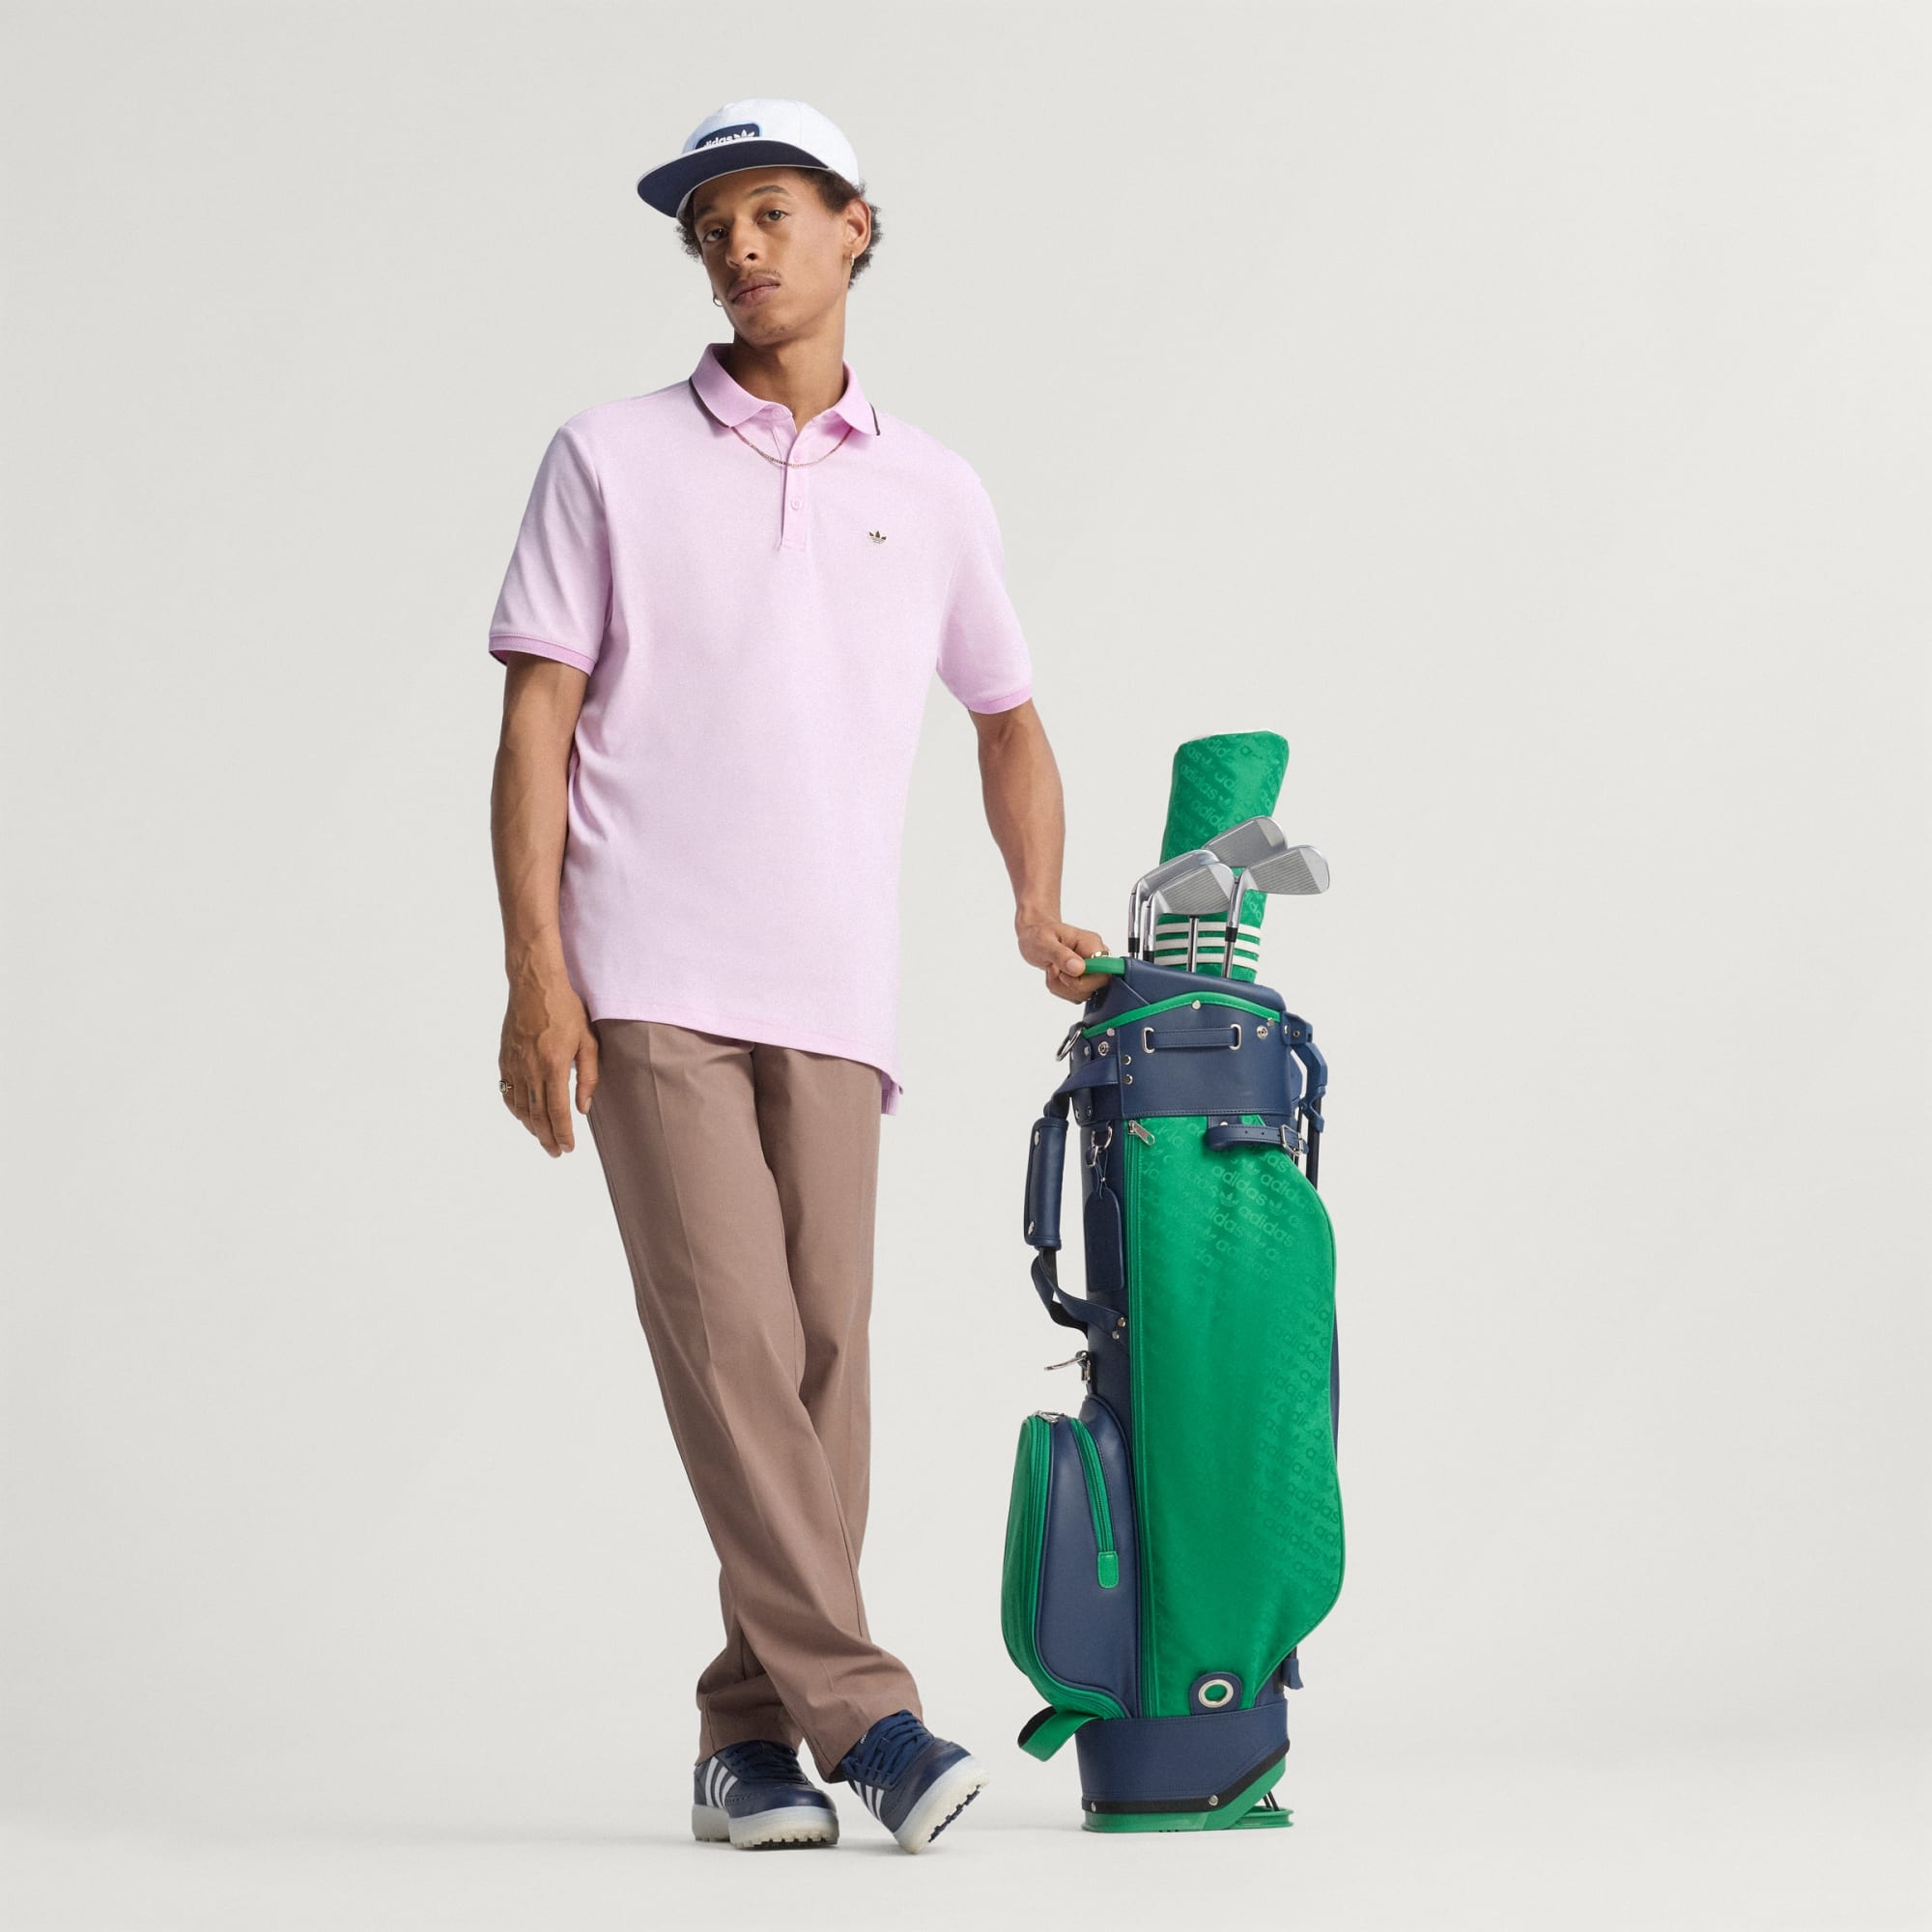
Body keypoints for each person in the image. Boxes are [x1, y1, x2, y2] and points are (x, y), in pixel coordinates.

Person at [485, 97, 1107, 1854]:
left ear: (855, 226)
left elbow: (1008, 716)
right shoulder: (606, 457)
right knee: (737, 1346)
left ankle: (743, 1734)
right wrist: (536, 975)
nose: (738, 249)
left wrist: (1033, 904)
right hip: (646, 970)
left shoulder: (934, 488)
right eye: (711, 230)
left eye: (768, 213)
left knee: (824, 1368)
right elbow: (534, 728)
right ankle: (869, 1718)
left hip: (836, 987)